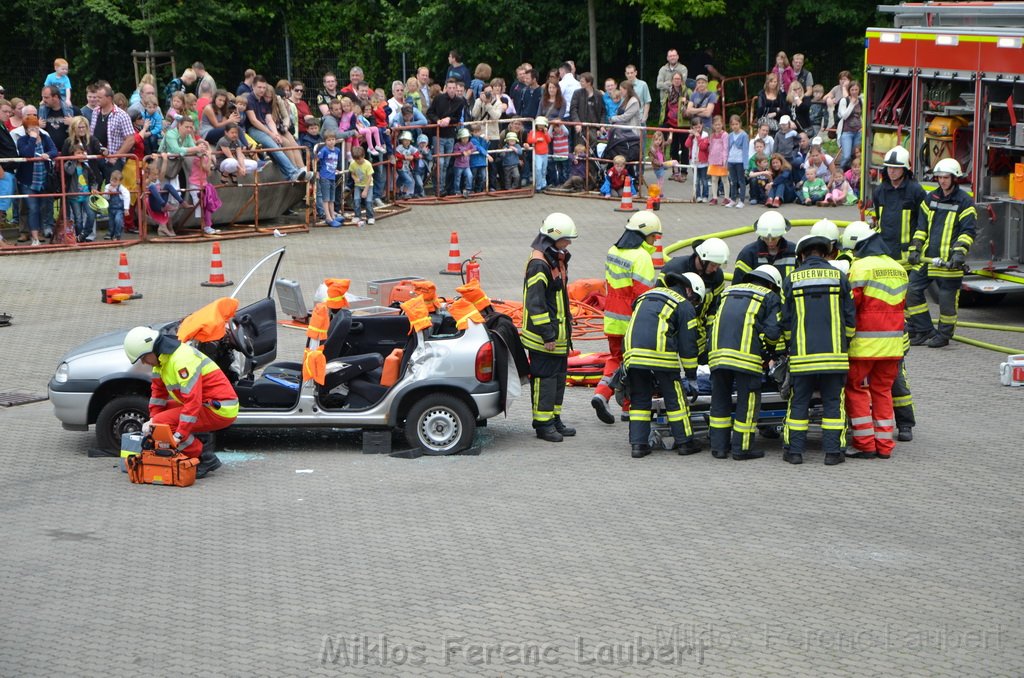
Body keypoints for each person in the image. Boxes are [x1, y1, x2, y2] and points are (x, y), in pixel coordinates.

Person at [780, 233, 856, 466]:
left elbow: (785, 320)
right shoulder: (840, 277)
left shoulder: (792, 279)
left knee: (799, 403)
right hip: (834, 357)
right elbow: (850, 317)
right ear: (825, 254)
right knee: (833, 403)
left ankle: (794, 452)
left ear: (802, 255)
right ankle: (833, 453)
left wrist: (789, 346)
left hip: (803, 357)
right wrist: (846, 342)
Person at [123, 326, 237, 479]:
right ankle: (194, 445)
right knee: (159, 422)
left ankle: (204, 457)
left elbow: (193, 402)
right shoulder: (161, 363)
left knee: (164, 424)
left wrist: (178, 435)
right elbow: (158, 396)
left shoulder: (182, 360)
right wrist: (153, 422)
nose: (144, 363)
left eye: (143, 358)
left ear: (151, 350)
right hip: (207, 404)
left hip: (220, 408)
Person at [840, 222, 908, 460]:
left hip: (864, 345)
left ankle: (864, 444)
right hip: (893, 345)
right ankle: (884, 445)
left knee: (856, 389)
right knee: (883, 391)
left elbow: (851, 306)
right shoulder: (898, 267)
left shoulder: (860, 268)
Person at [623, 259, 704, 458]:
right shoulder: (683, 305)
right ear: (690, 291)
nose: (694, 305)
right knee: (675, 399)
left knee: (640, 399)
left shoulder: (647, 295)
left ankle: (639, 445)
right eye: (696, 300)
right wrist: (692, 376)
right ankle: (685, 443)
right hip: (660, 354)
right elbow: (688, 345)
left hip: (632, 352)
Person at [591, 210, 660, 424]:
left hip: (612, 318)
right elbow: (642, 295)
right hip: (631, 320)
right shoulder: (642, 257)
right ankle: (629, 409)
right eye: (653, 236)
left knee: (615, 359)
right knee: (636, 365)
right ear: (645, 234)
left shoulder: (613, 250)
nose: (655, 241)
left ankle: (602, 394)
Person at [708, 264, 783, 460]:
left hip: (717, 354)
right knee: (748, 401)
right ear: (772, 284)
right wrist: (770, 350)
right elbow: (773, 332)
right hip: (746, 357)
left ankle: (719, 448)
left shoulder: (727, 291)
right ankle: (742, 449)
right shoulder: (769, 296)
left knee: (720, 400)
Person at [905, 158, 976, 348]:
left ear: (954, 178)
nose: (942, 181)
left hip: (949, 262)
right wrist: (916, 248)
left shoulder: (964, 202)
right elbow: (921, 227)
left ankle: (944, 335)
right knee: (911, 291)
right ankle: (924, 329)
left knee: (946, 302)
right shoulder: (931, 199)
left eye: (946, 177)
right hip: (928, 258)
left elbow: (968, 231)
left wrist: (959, 254)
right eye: (939, 177)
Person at [522, 213, 578, 442]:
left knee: (557, 380)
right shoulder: (539, 265)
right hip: (544, 338)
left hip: (558, 337)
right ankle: (543, 424)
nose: (569, 243)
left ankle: (554, 418)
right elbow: (535, 304)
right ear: (554, 238)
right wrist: (547, 334)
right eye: (566, 239)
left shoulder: (555, 259)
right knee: (545, 382)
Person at [245, 77, 308, 182]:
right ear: (253, 87)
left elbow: (269, 119)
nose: (262, 90)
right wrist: (271, 133)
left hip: (266, 126)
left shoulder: (264, 99)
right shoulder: (249, 99)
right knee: (275, 147)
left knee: (282, 142)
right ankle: (292, 173)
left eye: (264, 87)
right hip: (254, 129)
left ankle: (299, 169)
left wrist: (275, 134)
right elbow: (254, 121)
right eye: (259, 87)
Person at [677, 237, 730, 361]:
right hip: (673, 324)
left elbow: (715, 306)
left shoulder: (717, 277)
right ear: (702, 259)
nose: (715, 269)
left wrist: (710, 330)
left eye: (718, 265)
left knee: (704, 357)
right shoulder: (677, 268)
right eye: (713, 264)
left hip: (697, 325)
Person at [14, 114, 58, 246]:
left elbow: (54, 151)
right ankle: (34, 238)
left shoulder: (45, 138)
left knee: (44, 207)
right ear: (26, 130)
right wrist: (32, 139)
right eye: (31, 129)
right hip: (28, 181)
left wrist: (48, 154)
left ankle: (45, 230)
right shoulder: (22, 140)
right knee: (33, 208)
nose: (34, 131)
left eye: (36, 128)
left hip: (44, 180)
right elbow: (27, 153)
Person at [426, 78, 466, 197]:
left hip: (450, 135)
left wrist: (449, 119)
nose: (452, 90)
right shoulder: (439, 98)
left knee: (447, 162)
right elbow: (430, 112)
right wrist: (438, 120)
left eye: (454, 88)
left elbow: (458, 118)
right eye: (450, 88)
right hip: (438, 134)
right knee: (440, 162)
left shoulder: (460, 101)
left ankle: (442, 188)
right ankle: (439, 187)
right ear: (446, 88)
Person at [733, 211, 796, 282]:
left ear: (781, 234)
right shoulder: (748, 254)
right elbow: (738, 285)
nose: (770, 242)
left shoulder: (794, 251)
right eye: (766, 238)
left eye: (774, 238)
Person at [317, 131, 342, 227]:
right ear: (325, 141)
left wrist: (336, 169)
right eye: (329, 140)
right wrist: (317, 171)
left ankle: (333, 216)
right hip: (325, 176)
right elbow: (316, 160)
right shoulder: (324, 150)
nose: (331, 142)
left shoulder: (337, 150)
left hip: (332, 176)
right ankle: (328, 217)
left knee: (332, 198)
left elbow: (334, 162)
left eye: (333, 140)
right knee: (326, 198)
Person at [836, 81, 862, 169]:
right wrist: (851, 104)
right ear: (849, 90)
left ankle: (852, 173)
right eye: (852, 90)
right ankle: (841, 172)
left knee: (855, 155)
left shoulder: (861, 100)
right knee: (846, 156)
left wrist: (862, 127)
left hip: (858, 131)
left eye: (856, 89)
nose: (854, 92)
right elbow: (844, 116)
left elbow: (861, 115)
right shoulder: (844, 100)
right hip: (847, 132)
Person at [656, 49, 687, 117]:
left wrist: (666, 83)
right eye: (670, 56)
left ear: (677, 57)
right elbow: (658, 85)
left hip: (678, 103)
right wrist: (671, 86)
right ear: (667, 58)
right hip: (664, 103)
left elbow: (682, 83)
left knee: (678, 126)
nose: (672, 57)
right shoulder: (663, 69)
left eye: (674, 55)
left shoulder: (683, 68)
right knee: (664, 125)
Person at [349, 145, 375, 226]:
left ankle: (370, 217)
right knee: (356, 200)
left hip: (368, 185)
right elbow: (352, 173)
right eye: (356, 159)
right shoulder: (353, 164)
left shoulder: (368, 164)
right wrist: (355, 178)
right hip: (358, 185)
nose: (358, 161)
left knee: (368, 201)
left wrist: (365, 190)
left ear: (363, 156)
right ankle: (357, 215)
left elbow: (369, 178)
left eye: (359, 159)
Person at [103, 169, 129, 240]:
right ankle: (110, 233)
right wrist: (108, 192)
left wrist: (126, 208)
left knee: (118, 220)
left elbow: (127, 196)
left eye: (115, 181)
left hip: (119, 209)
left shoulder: (121, 188)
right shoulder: (107, 186)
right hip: (111, 208)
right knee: (111, 222)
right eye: (111, 180)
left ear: (119, 181)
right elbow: (105, 197)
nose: (112, 183)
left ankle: (117, 234)